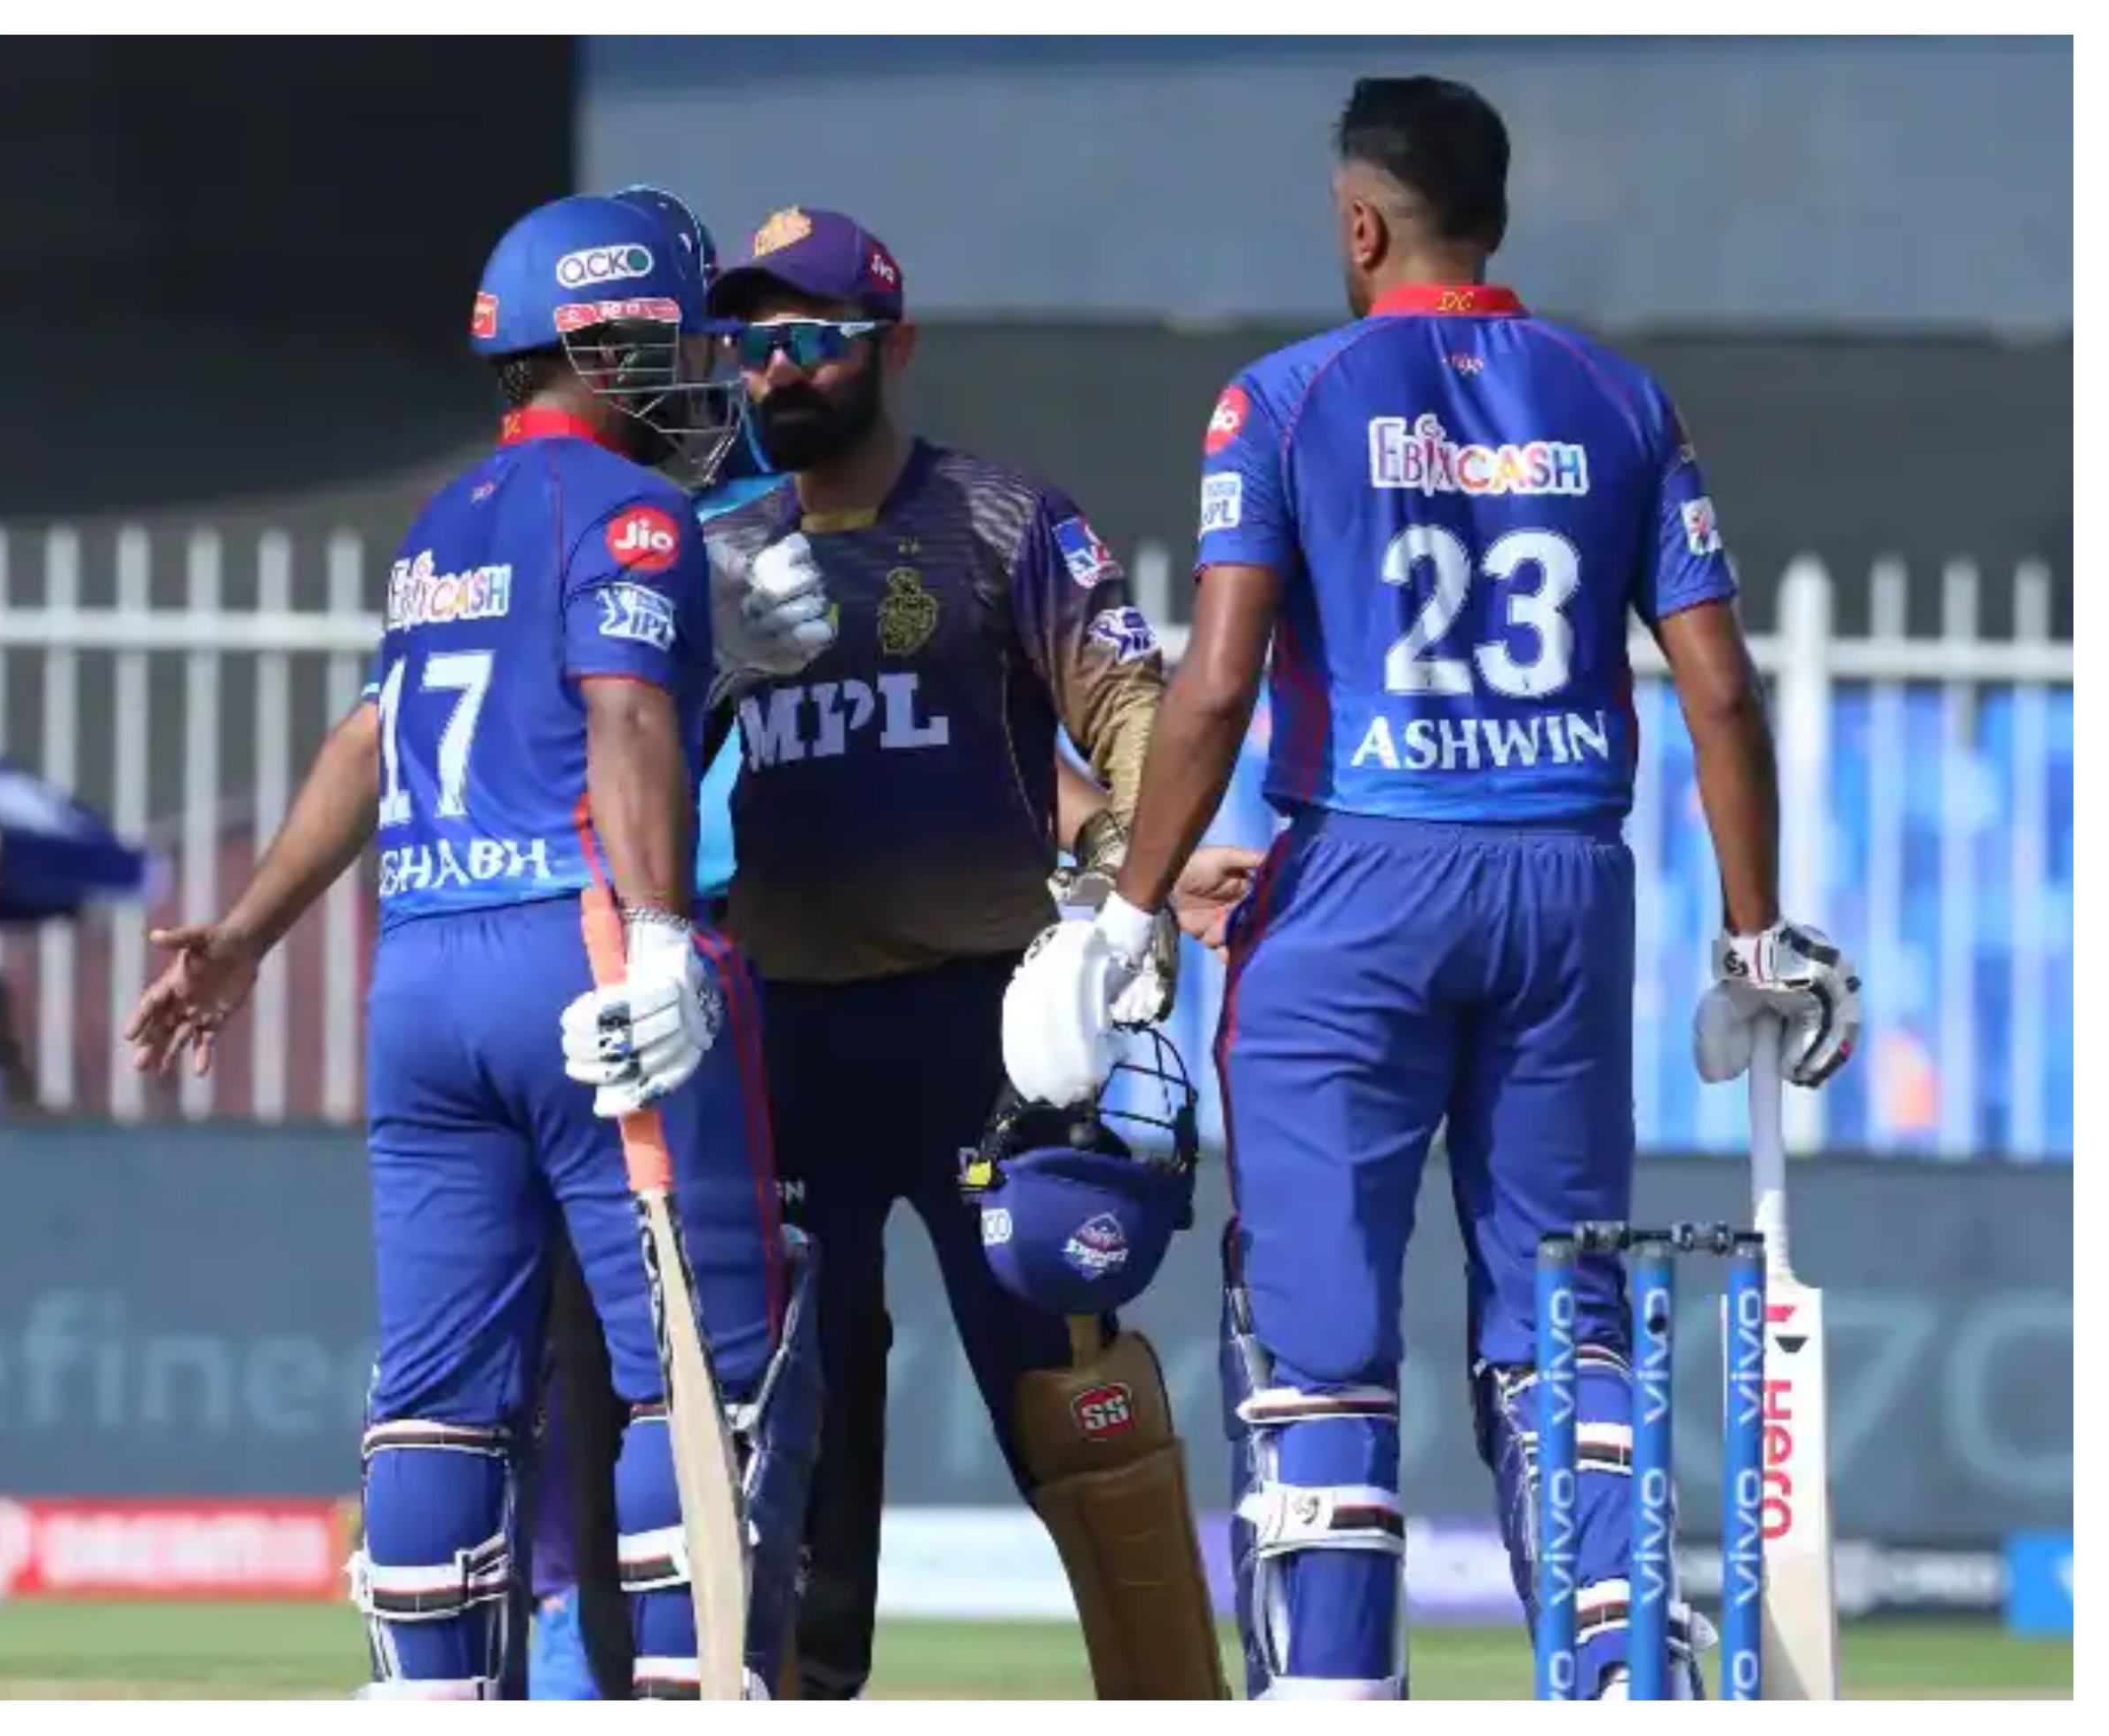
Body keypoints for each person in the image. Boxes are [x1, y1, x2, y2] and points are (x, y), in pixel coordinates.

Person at [998, 76, 1864, 1700]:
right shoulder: (1621, 400)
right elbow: (1722, 693)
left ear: (1360, 222)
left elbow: (1215, 686)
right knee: (1564, 1316)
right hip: (1564, 887)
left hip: (1358, 883)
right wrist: (1755, 941)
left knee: (1318, 1332)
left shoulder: (1285, 398)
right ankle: (1620, 1670)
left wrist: (1127, 912)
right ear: (1496, 214)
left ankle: (1336, 1687)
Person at [180, 191, 814, 1699]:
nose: (703, 372)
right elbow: (627, 717)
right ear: (601, 344)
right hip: (577, 955)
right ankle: (695, 1690)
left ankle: (427, 1694)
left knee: (439, 1394)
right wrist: (659, 934)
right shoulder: (636, 511)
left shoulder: (439, 523)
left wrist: (248, 932)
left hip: (421, 971)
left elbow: (367, 742)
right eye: (676, 340)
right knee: (703, 1372)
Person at [697, 206, 1249, 1700]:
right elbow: (630, 749)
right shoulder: (718, 549)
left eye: (816, 338)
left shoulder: (1001, 521)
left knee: (1073, 1388)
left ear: (895, 346)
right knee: (796, 1409)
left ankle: (1170, 1698)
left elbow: (1130, 710)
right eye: (754, 343)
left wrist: (1129, 894)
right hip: (791, 1036)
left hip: (985, 1035)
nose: (780, 369)